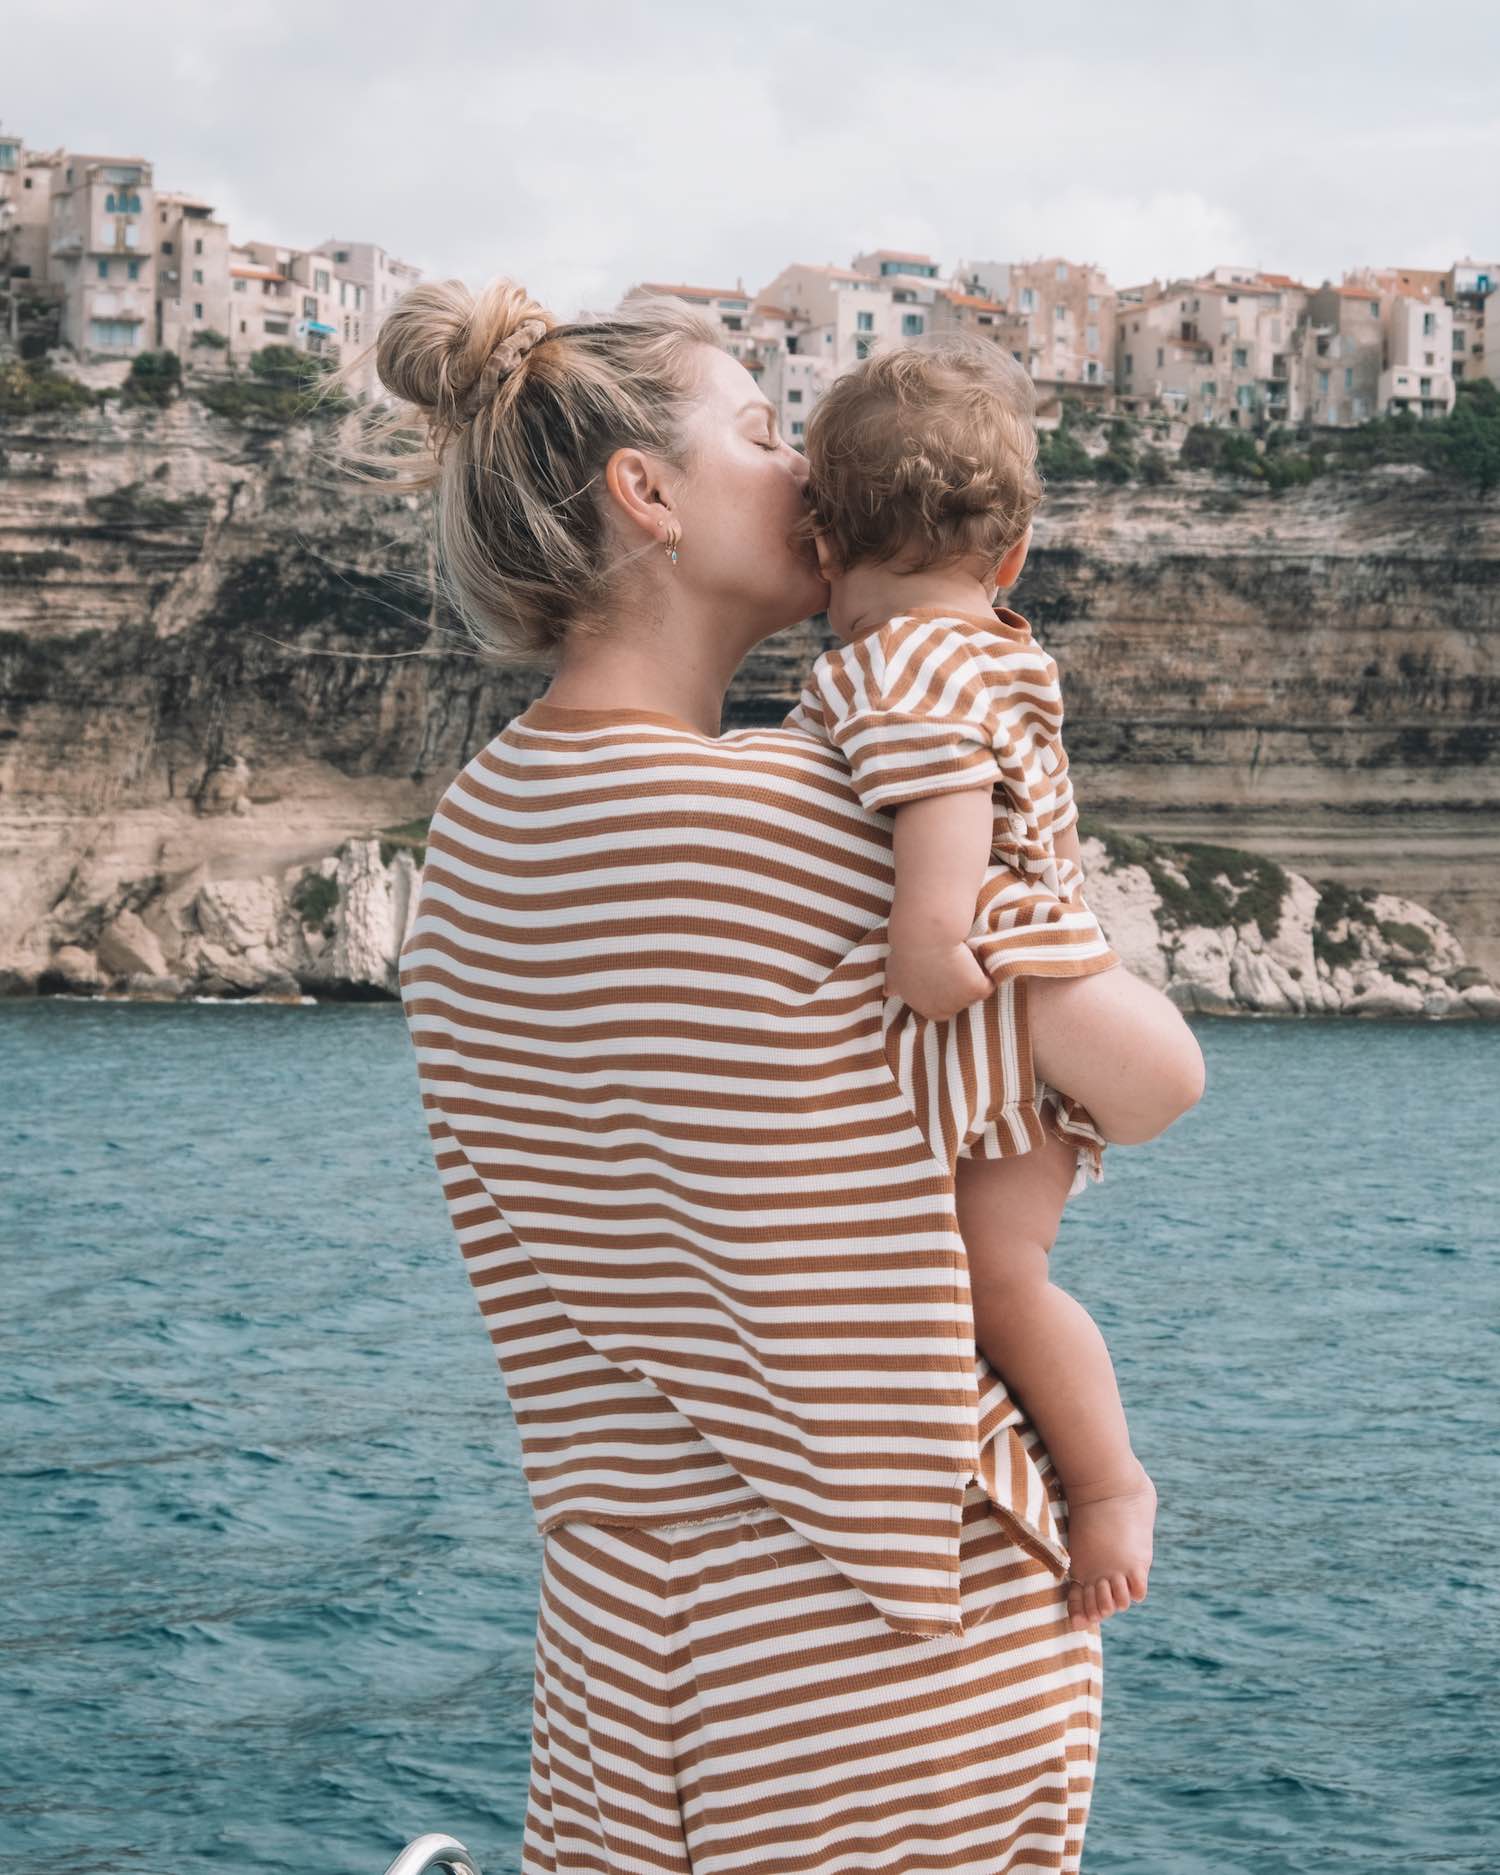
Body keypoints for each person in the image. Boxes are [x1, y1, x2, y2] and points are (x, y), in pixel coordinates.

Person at [335, 274, 1203, 1874]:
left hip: (620, 1651)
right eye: (759, 432)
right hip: (886, 1647)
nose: (808, 475)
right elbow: (1149, 1082)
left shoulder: (464, 847)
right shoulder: (816, 820)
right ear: (645, 494)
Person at [783, 337, 1206, 1635]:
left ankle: (1108, 1483)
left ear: (820, 552)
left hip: (994, 1054)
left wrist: (926, 931)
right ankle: (1094, 1478)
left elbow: (944, 790)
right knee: (999, 1269)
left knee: (996, 1277)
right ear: (1014, 556)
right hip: (1011, 1066)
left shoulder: (900, 663)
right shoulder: (992, 647)